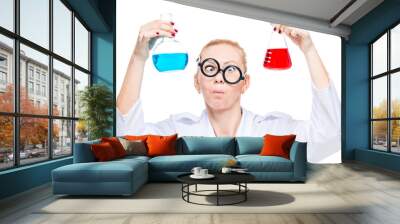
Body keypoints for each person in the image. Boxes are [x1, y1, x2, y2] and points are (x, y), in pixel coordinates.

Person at [116, 20, 340, 144]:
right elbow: (128, 136)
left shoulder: (273, 129)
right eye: (210, 67)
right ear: (197, 81)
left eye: (231, 69)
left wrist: (309, 50)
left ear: (245, 83)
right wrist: (138, 57)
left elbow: (328, 134)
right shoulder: (178, 129)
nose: (219, 77)